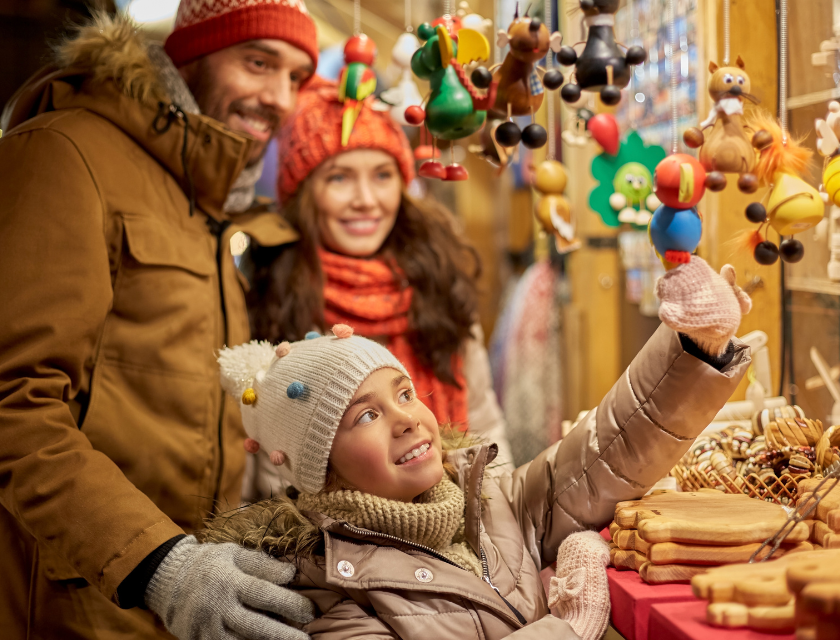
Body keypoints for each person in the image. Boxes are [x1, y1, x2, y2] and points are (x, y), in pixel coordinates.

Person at [202, 258, 751, 639]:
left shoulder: (490, 502)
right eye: (366, 416)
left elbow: (603, 452)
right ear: (321, 467)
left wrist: (692, 348)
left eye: (404, 394)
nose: (405, 420)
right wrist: (571, 624)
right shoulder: (328, 592)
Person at [0, 1, 321, 637]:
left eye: (296, 77)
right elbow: (14, 400)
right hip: (80, 606)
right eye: (258, 63)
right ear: (192, 57)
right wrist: (159, 565)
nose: (279, 97)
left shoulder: (198, 198)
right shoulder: (65, 152)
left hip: (187, 604)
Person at [244, 79, 513, 498]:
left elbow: (482, 423)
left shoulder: (436, 278)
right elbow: (272, 474)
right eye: (339, 178)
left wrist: (496, 520)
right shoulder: (273, 297)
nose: (366, 199)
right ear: (303, 193)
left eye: (383, 175)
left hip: (460, 520)